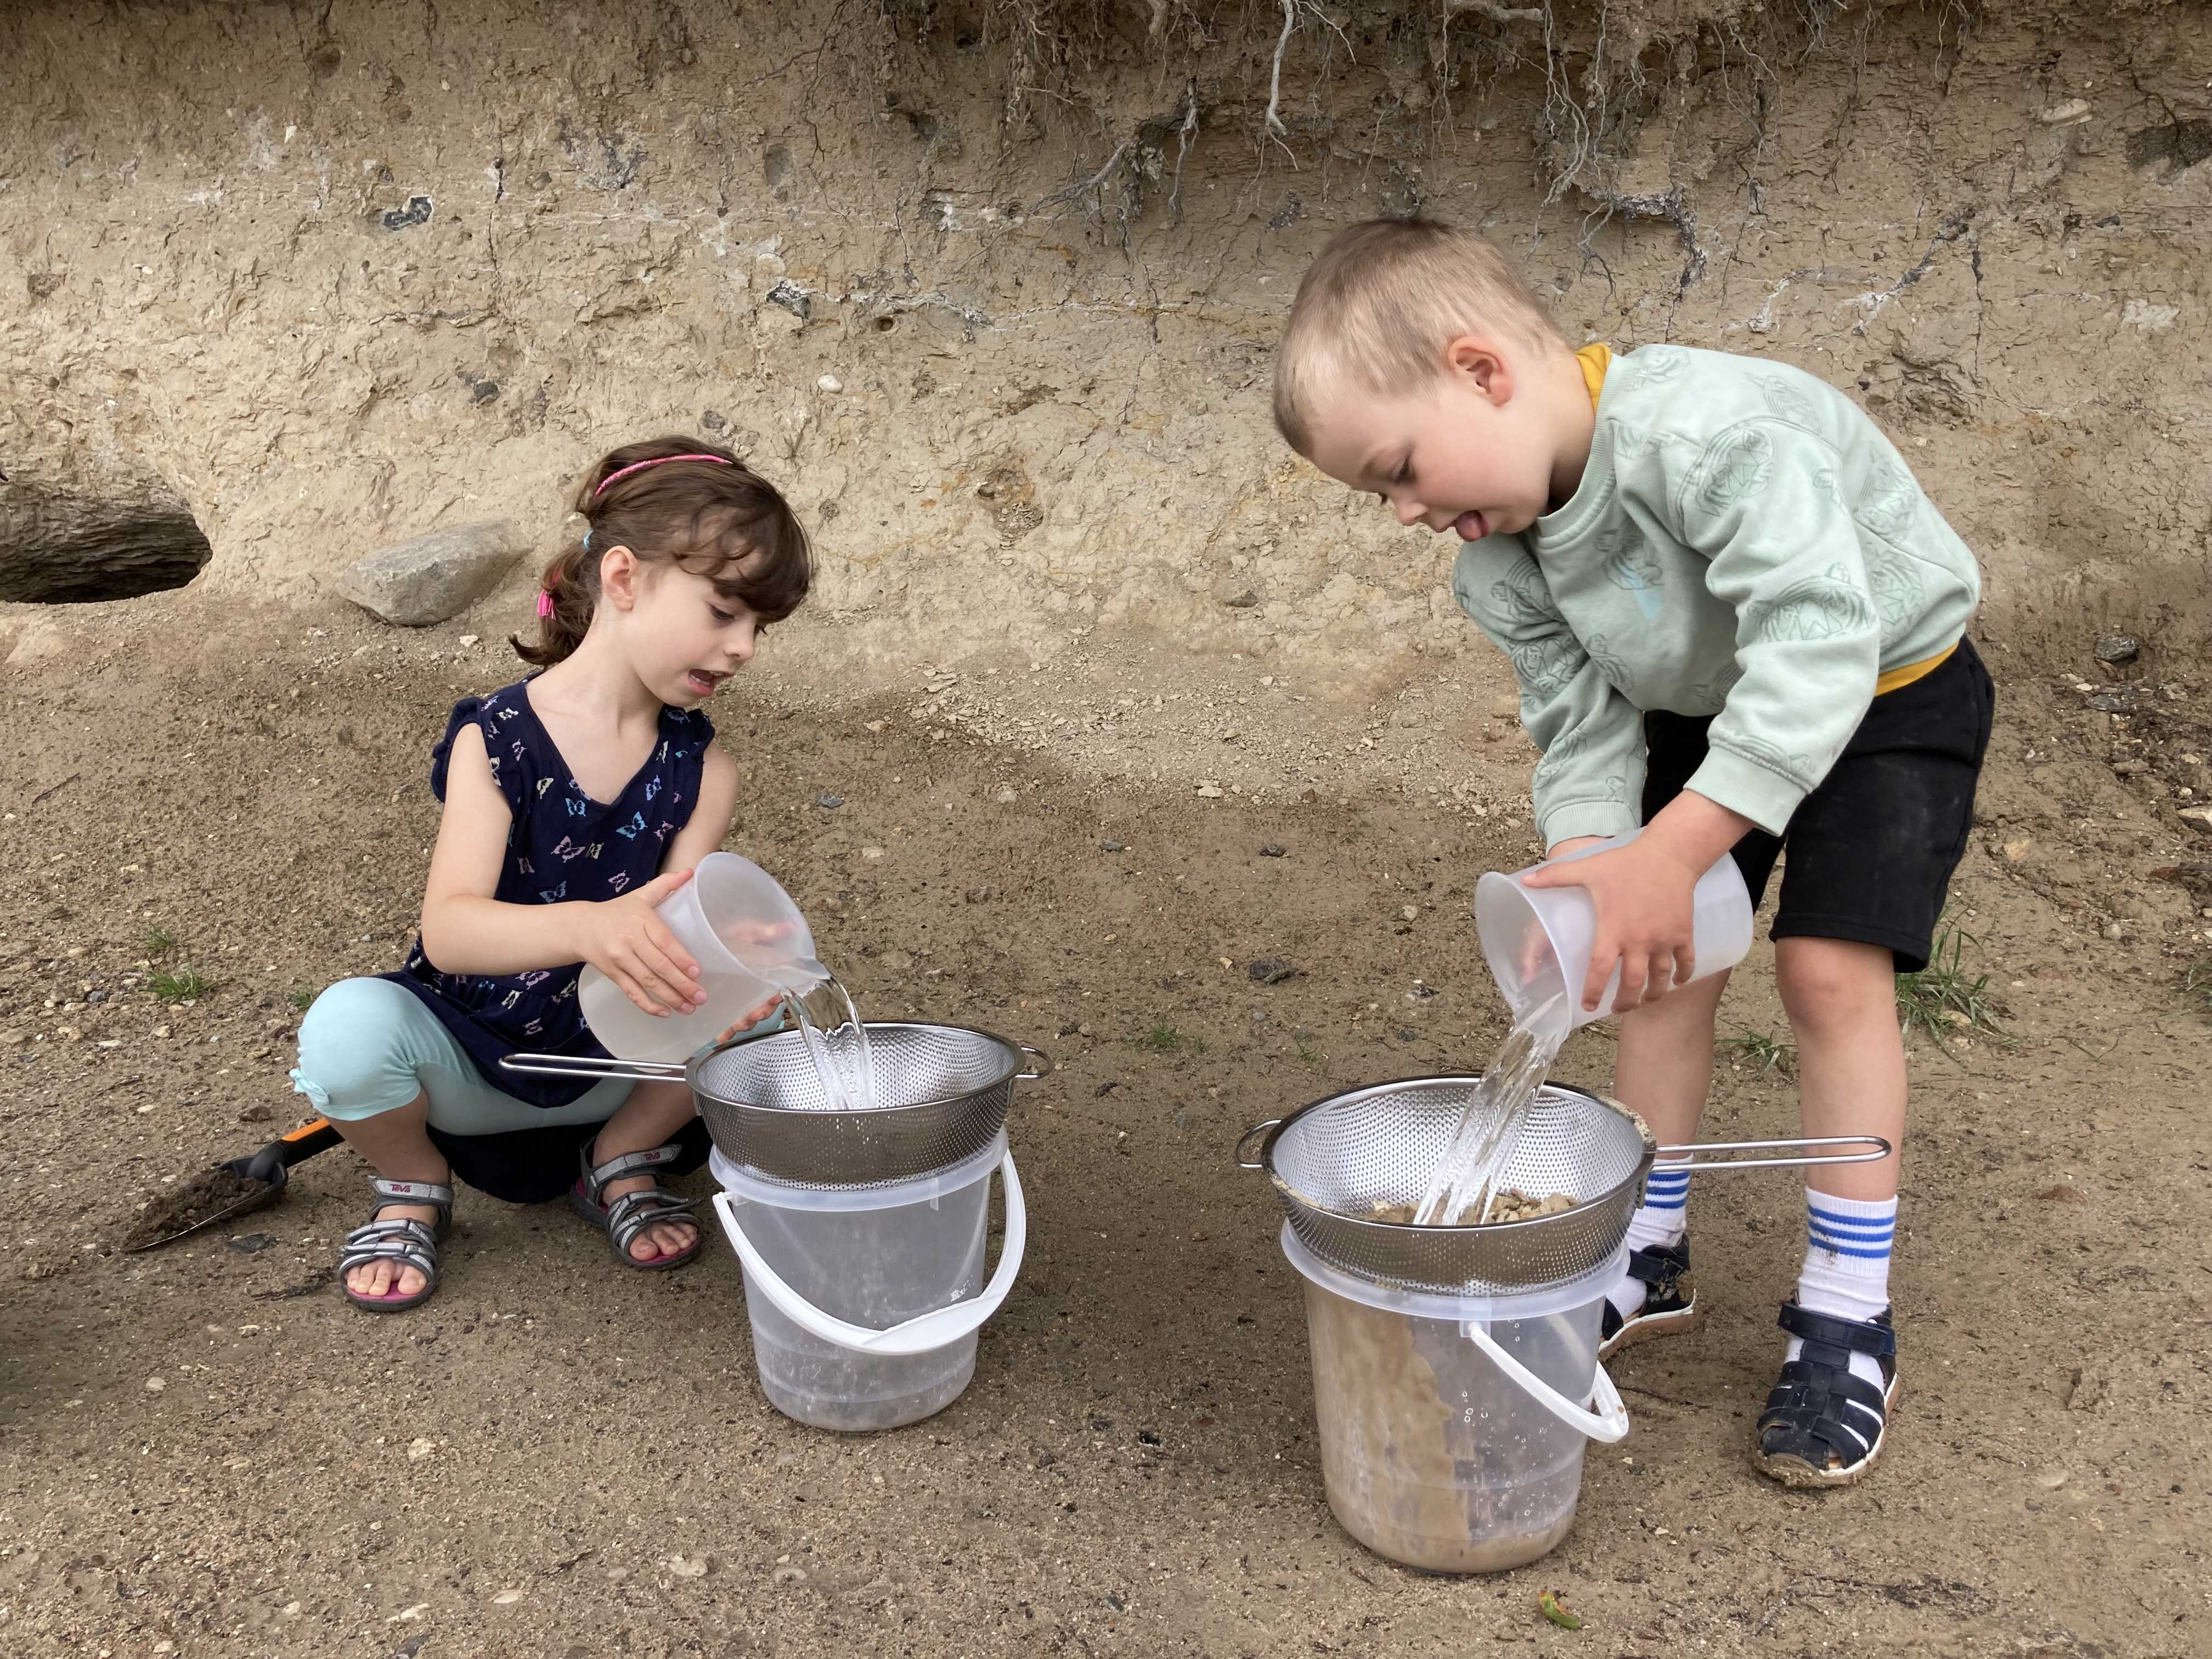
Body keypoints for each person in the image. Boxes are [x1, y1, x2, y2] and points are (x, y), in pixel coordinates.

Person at [1272, 219, 1993, 1487]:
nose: (1406, 513)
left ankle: (1846, 1310)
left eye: (1400, 470)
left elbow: (1819, 643)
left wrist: (1676, 854)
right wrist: (1594, 867)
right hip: (1707, 710)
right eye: (1379, 497)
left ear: (1482, 371)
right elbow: (1584, 729)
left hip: (1885, 686)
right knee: (1656, 968)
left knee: (1828, 972)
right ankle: (1647, 1253)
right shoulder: (1501, 562)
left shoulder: (1708, 440)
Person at [291, 437, 811, 1313]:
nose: (744, 648)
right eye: (726, 612)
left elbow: (679, 935)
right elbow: (450, 932)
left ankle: (620, 1159)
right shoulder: (497, 738)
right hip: (476, 1063)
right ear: (624, 577)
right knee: (345, 1029)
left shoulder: (705, 770)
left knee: (771, 1013)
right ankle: (413, 1184)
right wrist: (586, 927)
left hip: (627, 1071)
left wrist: (733, 956)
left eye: (759, 628)